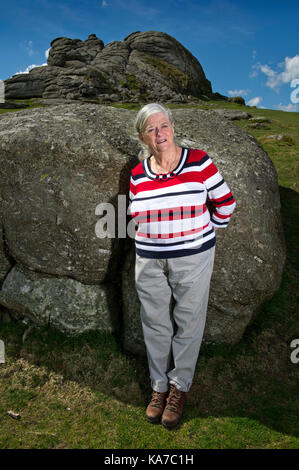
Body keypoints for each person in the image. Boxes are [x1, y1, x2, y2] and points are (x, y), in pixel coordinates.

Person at [128, 103, 236, 429]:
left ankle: (179, 387)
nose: (160, 134)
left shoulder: (200, 162)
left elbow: (225, 204)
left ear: (172, 127)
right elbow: (134, 215)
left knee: (188, 322)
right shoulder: (136, 174)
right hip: (148, 259)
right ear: (143, 137)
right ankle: (159, 388)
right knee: (155, 323)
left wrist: (200, 235)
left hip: (193, 257)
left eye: (164, 126)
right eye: (151, 129)